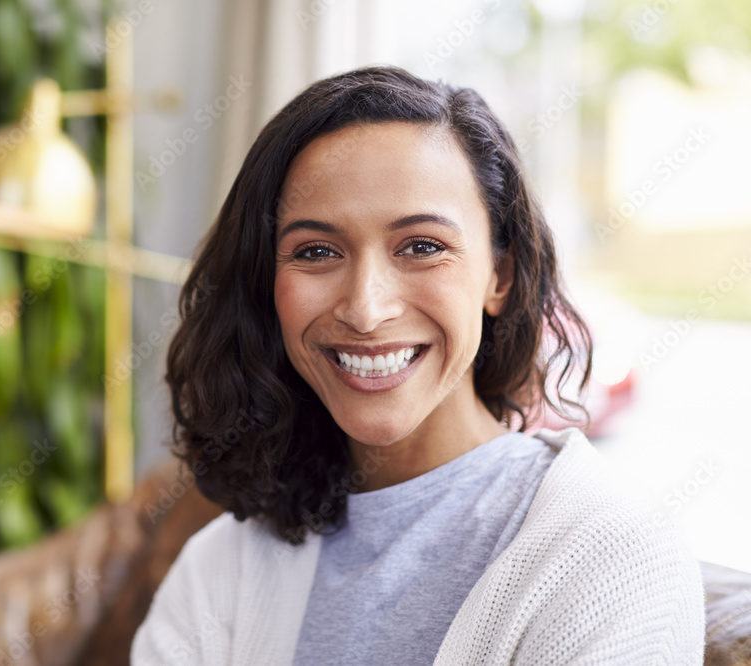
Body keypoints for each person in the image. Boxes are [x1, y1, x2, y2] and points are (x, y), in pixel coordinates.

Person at [131, 65, 704, 665]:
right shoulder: (222, 566)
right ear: (266, 282)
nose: (366, 309)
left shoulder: (610, 554)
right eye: (317, 251)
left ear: (499, 276)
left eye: (422, 246)